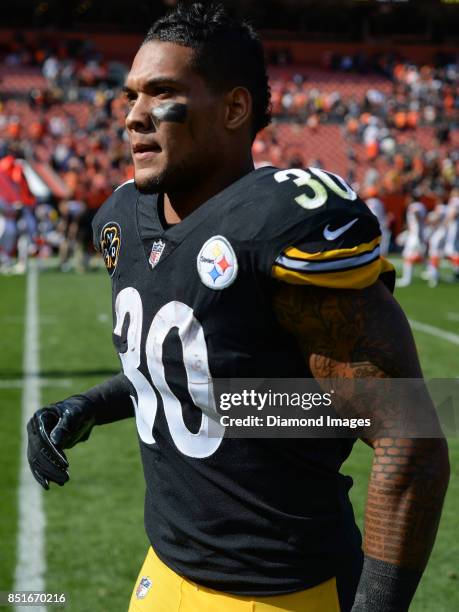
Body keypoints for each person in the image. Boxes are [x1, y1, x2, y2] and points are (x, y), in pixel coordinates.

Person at [26, 4, 449, 611]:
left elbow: (409, 442)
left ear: (233, 108)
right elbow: (203, 371)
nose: (135, 116)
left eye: (163, 93)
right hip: (162, 569)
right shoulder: (122, 217)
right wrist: (89, 403)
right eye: (130, 96)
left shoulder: (276, 225)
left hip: (282, 591)